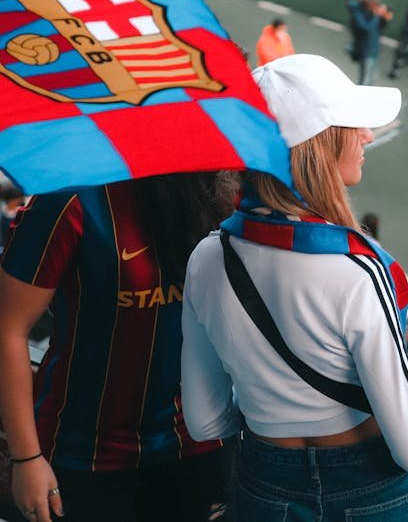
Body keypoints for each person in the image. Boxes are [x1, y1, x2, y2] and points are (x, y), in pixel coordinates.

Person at [182, 54, 408, 521]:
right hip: (376, 494)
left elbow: (206, 421)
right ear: (319, 145)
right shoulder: (356, 270)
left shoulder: (207, 257)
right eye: (355, 125)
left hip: (262, 487)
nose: (367, 136)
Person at [0, 173, 237, 522]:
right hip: (82, 455)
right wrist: (26, 458)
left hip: (198, 448)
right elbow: (9, 327)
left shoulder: (221, 193)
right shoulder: (70, 200)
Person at [347, 0, 393, 85]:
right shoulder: (357, 13)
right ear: (369, 3)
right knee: (365, 80)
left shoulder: (371, 11)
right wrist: (377, 15)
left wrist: (384, 18)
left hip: (374, 49)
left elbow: (380, 27)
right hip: (365, 50)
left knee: (372, 78)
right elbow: (367, 29)